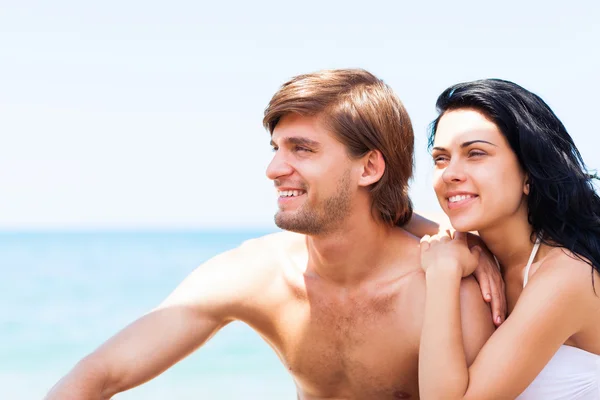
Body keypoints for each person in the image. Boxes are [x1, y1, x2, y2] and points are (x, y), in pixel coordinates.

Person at [45, 69, 501, 400]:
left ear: (369, 167)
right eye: (276, 149)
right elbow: (100, 374)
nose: (274, 169)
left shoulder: (446, 289)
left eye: (302, 149)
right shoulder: (256, 274)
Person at [419, 79, 600, 399]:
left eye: (475, 153)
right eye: (441, 158)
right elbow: (389, 220)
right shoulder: (484, 254)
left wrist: (443, 273)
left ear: (529, 173)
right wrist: (471, 246)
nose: (449, 174)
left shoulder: (568, 274)